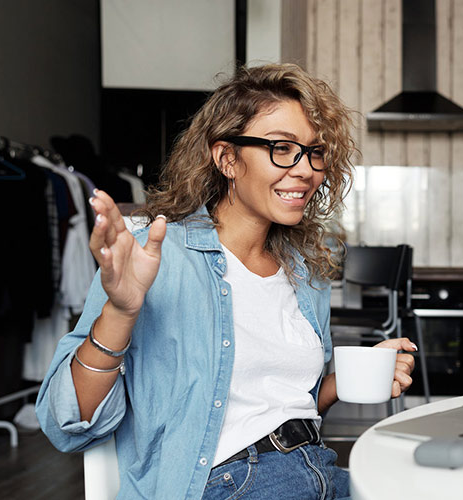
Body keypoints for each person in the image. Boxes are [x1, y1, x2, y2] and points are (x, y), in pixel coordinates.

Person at [36, 63, 416, 500]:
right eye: (282, 148)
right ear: (227, 158)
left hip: (317, 471)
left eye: (314, 151)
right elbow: (65, 421)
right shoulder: (154, 256)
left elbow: (281, 406)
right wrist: (120, 311)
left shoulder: (304, 273)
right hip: (225, 485)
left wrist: (345, 382)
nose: (306, 169)